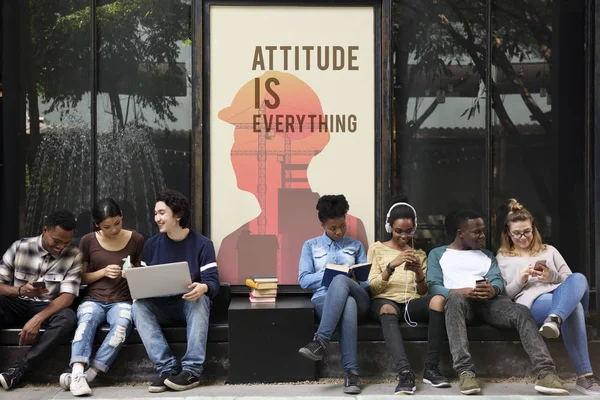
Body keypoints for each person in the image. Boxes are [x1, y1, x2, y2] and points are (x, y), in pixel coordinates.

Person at [427, 210, 568, 395]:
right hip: (461, 303)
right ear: (460, 232)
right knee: (453, 300)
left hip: (490, 303)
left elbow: (497, 280)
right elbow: (433, 286)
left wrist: (492, 289)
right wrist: (460, 291)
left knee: (521, 311)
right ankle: (465, 372)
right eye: (477, 232)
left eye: (483, 231)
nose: (482, 235)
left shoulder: (487, 255)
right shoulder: (438, 254)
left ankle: (546, 373)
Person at [497, 199, 599, 395]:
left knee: (579, 277)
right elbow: (505, 295)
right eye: (516, 233)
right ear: (508, 234)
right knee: (575, 308)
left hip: (561, 297)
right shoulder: (503, 257)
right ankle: (585, 377)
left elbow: (572, 282)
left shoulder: (549, 250)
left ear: (533, 229)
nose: (523, 237)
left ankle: (555, 318)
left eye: (527, 231)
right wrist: (522, 280)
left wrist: (551, 276)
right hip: (533, 302)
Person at [131, 189, 220, 393]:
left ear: (177, 215)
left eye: (162, 213)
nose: (157, 218)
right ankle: (168, 369)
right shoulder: (151, 245)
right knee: (138, 306)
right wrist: (135, 279)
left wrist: (203, 287)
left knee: (201, 299)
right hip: (160, 305)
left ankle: (191, 371)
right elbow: (146, 281)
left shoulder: (202, 245)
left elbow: (213, 282)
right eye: (155, 214)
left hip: (189, 304)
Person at [59, 198, 145, 396]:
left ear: (122, 216)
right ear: (97, 225)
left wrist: (132, 272)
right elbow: (80, 278)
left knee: (121, 328)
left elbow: (141, 276)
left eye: (117, 223)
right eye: (107, 226)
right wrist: (104, 272)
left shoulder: (137, 239)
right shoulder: (87, 241)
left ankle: (89, 376)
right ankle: (78, 371)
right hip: (94, 299)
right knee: (85, 322)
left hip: (122, 300)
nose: (114, 229)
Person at [367, 200, 449, 394]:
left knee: (438, 300)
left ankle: (431, 368)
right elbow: (373, 288)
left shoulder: (419, 254)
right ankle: (404, 372)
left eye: (409, 231)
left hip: (410, 303)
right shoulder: (377, 248)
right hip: (385, 301)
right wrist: (391, 266)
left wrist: (419, 274)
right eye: (399, 231)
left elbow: (423, 293)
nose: (404, 236)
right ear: (389, 228)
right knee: (387, 308)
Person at [0, 210, 83, 390]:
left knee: (68, 318)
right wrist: (20, 290)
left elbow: (68, 296)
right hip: (16, 302)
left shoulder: (74, 254)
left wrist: (39, 318)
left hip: (47, 306)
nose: (60, 247)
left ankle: (18, 369)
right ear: (45, 230)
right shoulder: (20, 247)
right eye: (56, 241)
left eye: (66, 242)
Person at [297, 194, 370, 394]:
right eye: (333, 228)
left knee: (343, 284)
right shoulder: (311, 246)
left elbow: (366, 283)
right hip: (324, 299)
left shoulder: (355, 246)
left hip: (359, 297)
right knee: (347, 305)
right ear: (322, 225)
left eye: (342, 226)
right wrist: (329, 272)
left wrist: (348, 279)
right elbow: (304, 280)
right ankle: (351, 374)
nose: (339, 232)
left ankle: (320, 341)